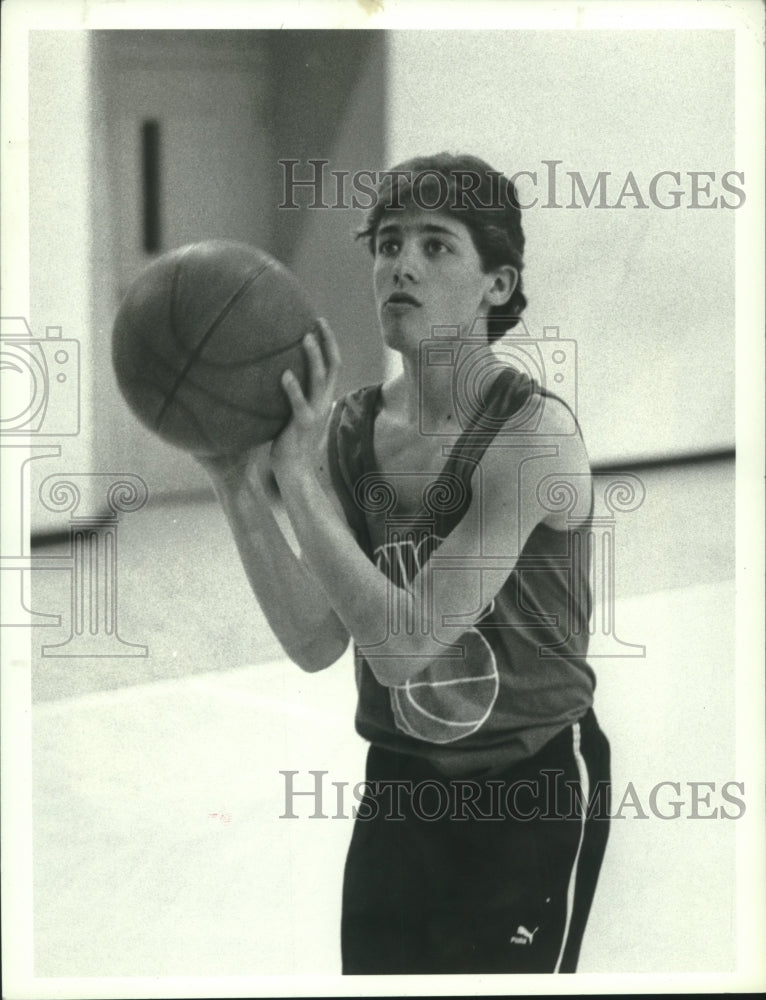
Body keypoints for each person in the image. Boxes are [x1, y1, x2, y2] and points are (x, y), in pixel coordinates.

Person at [199, 152, 611, 975]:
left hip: (528, 787)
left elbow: (401, 648)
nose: (401, 265)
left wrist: (296, 477)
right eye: (387, 243)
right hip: (401, 785)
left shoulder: (532, 437)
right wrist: (238, 484)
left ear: (498, 284)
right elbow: (317, 641)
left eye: (436, 245)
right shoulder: (351, 431)